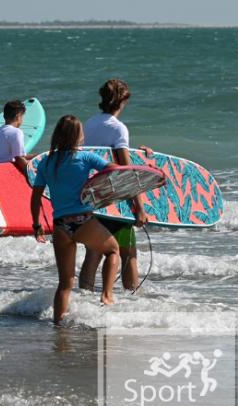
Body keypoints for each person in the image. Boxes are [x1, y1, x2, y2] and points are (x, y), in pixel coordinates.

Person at [30, 115, 120, 324]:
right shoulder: (86, 158)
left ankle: (58, 326)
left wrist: (37, 225)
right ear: (78, 136)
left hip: (60, 225)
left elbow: (35, 199)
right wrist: (99, 189)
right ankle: (107, 296)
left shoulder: (46, 162)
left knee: (65, 284)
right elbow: (113, 170)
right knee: (113, 250)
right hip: (82, 220)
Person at [78, 79, 151, 292]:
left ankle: (84, 298)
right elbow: (125, 171)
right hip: (115, 199)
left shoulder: (89, 124)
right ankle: (132, 299)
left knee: (93, 251)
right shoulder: (118, 128)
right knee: (128, 253)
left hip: (92, 195)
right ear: (123, 101)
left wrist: (143, 155)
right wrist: (139, 208)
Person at [0, 100, 34, 170]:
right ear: (18, 117)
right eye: (22, 117)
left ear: (4, 116)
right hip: (3, 172)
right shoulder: (16, 132)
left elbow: (14, 156)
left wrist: (36, 156)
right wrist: (34, 173)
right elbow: (19, 159)